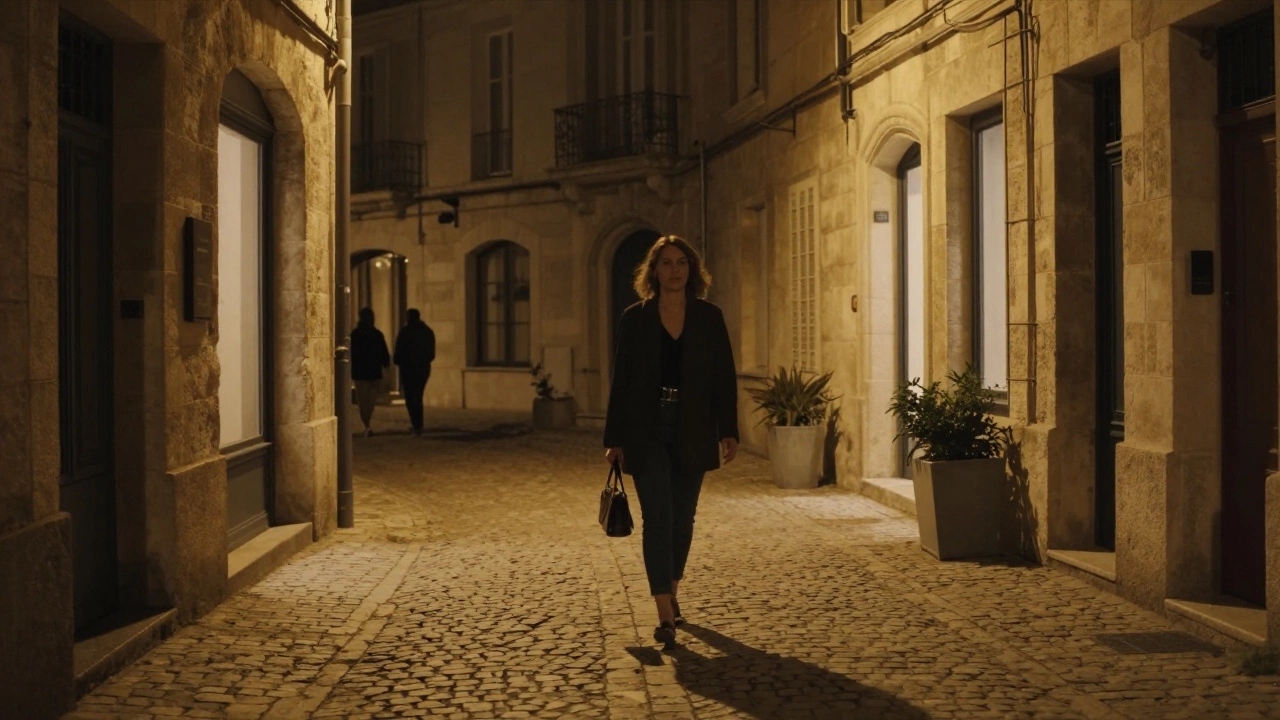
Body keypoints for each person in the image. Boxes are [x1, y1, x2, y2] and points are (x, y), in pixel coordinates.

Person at [602, 234, 739, 649]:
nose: (674, 270)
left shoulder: (709, 317)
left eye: (681, 263)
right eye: (666, 263)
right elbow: (621, 380)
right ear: (654, 271)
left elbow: (723, 377)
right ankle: (665, 614)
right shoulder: (635, 317)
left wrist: (729, 429)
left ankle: (672, 592)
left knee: (683, 519)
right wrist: (615, 438)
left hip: (694, 426)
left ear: (691, 271)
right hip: (646, 427)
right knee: (657, 518)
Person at [393, 308, 436, 436]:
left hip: (408, 368)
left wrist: (399, 361)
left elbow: (398, 351)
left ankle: (416, 424)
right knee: (417, 396)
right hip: (422, 368)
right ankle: (418, 425)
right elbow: (431, 353)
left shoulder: (405, 332)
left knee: (410, 397)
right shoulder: (427, 332)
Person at [350, 307, 391, 437]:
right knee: (370, 401)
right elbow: (383, 352)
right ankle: (367, 424)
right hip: (373, 371)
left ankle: (366, 424)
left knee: (363, 401)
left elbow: (352, 353)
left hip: (360, 372)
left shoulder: (355, 334)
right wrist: (385, 364)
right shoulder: (377, 334)